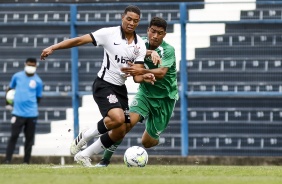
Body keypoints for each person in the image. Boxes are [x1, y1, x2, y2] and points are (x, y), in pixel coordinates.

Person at [40, 5, 156, 167]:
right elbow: (80, 40)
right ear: (122, 17)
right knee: (118, 118)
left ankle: (84, 155)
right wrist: (53, 47)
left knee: (121, 130)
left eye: (135, 21)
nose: (131, 23)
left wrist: (145, 75)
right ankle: (85, 136)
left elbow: (136, 77)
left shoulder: (140, 46)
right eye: (128, 19)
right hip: (104, 84)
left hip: (120, 89)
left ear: (138, 23)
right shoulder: (109, 34)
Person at [95, 17, 179, 167]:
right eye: (152, 31)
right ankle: (104, 161)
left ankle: (156, 134)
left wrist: (140, 69)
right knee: (125, 125)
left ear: (164, 35)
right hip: (145, 95)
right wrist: (146, 54)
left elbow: (161, 72)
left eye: (159, 33)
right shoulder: (139, 44)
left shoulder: (168, 50)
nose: (155, 36)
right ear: (148, 30)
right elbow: (125, 54)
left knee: (147, 142)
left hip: (165, 100)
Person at [3, 58, 43, 164]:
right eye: (29, 65)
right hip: (17, 113)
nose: (30, 67)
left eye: (32, 65)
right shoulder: (17, 76)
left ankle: (26, 162)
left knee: (29, 139)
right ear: (25, 64)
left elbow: (38, 98)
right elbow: (10, 90)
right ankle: (7, 160)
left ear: (36, 66)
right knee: (13, 136)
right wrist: (8, 103)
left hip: (32, 114)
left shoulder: (38, 81)